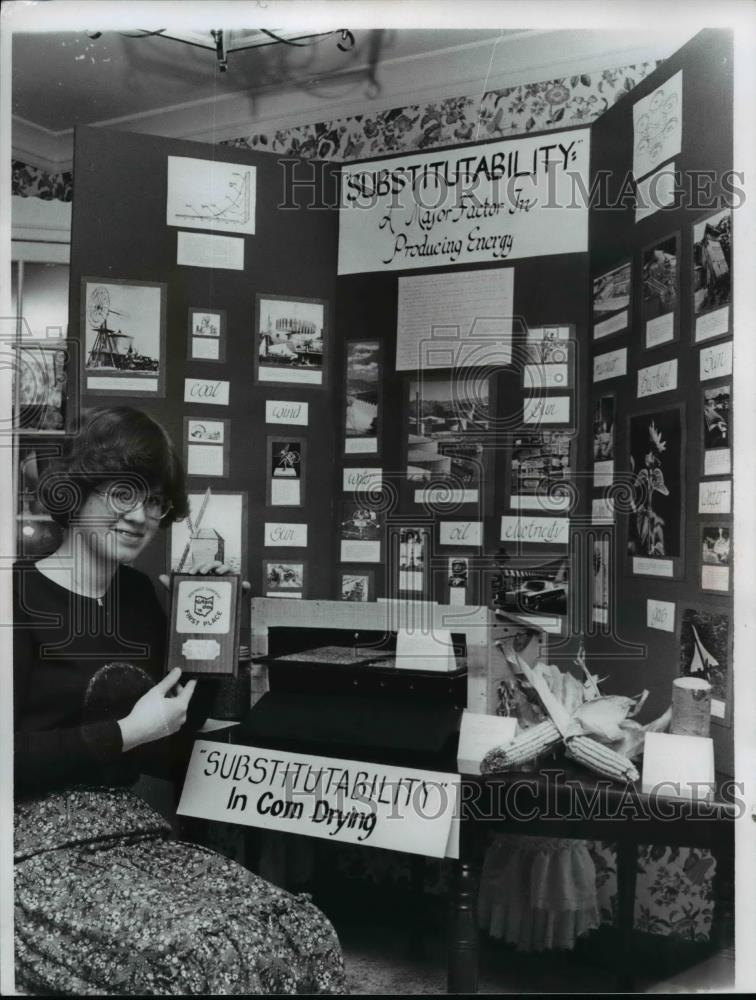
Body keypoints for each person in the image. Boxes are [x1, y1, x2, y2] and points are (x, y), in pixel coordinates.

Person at [13, 406, 346, 996]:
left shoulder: (142, 598)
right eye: (125, 493)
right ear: (79, 487)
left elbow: (171, 754)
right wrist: (123, 734)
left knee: (302, 931)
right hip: (28, 846)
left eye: (157, 502)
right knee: (196, 957)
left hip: (128, 831)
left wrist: (214, 644)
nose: (143, 517)